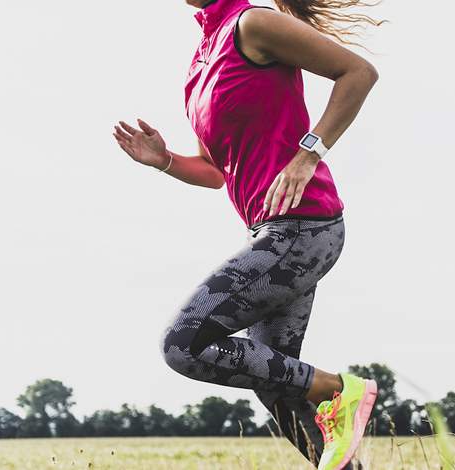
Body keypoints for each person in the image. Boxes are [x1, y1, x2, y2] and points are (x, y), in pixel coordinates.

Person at [112, 0, 383, 468]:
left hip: (303, 226)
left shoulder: (252, 23)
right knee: (275, 382)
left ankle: (341, 390)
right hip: (274, 229)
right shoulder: (202, 61)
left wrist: (308, 154)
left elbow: (358, 73)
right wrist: (166, 161)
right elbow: (215, 172)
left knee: (183, 343)